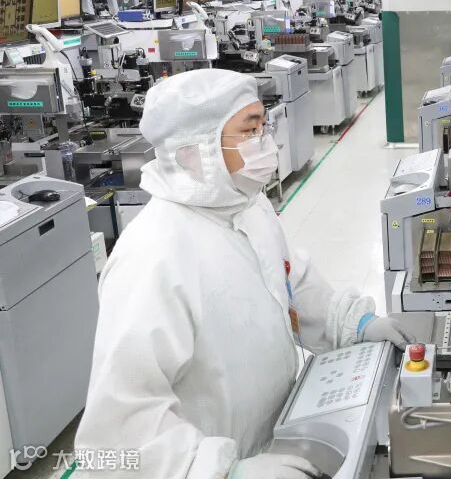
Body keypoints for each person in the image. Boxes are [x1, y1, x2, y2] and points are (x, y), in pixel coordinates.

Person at [74, 69, 414, 479]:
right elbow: (119, 430)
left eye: (263, 127)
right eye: (250, 131)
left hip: (277, 440)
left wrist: (355, 323)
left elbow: (289, 283)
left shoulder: (248, 207)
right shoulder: (153, 255)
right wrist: (223, 471)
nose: (266, 142)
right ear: (194, 151)